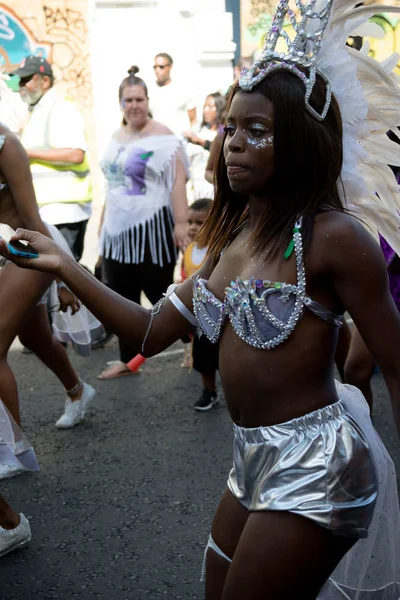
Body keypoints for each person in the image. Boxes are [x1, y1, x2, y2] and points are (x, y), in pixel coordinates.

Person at [2, 0, 400, 596]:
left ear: (299, 144)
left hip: (319, 463)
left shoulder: (333, 237)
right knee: (216, 584)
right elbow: (148, 331)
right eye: (232, 128)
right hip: (251, 456)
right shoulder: (231, 239)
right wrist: (65, 266)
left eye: (258, 132)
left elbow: (396, 363)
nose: (235, 144)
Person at [96, 65, 189, 380]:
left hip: (153, 227)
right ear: (120, 104)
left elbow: (177, 182)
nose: (134, 105)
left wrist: (181, 225)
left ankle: (194, 343)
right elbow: (112, 187)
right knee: (120, 299)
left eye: (139, 99)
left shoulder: (164, 136)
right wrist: (101, 231)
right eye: (128, 100)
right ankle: (128, 361)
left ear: (148, 100)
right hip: (116, 233)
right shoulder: (115, 136)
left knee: (161, 294)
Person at [11, 55, 92, 262]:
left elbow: (75, 154)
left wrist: (26, 153)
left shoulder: (62, 108)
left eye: (26, 79)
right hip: (46, 211)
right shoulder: (36, 111)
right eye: (20, 80)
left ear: (45, 81)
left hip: (65, 211)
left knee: (66, 277)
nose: (21, 85)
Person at [181, 199, 219, 410]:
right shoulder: (188, 249)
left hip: (220, 314)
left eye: (199, 222)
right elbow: (185, 276)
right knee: (203, 359)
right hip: (199, 315)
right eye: (190, 222)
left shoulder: (218, 249)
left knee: (227, 358)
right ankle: (209, 391)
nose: (193, 227)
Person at [183, 93, 226, 200]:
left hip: (212, 189)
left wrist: (199, 141)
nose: (206, 110)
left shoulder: (222, 134)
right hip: (195, 187)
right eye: (205, 107)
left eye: (210, 107)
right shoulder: (197, 130)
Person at [148, 53, 197, 137]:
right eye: (155, 67)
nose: (157, 70)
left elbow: (193, 119)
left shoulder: (183, 89)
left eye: (161, 67)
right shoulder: (149, 90)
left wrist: (191, 136)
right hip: (156, 141)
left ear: (170, 67)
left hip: (178, 142)